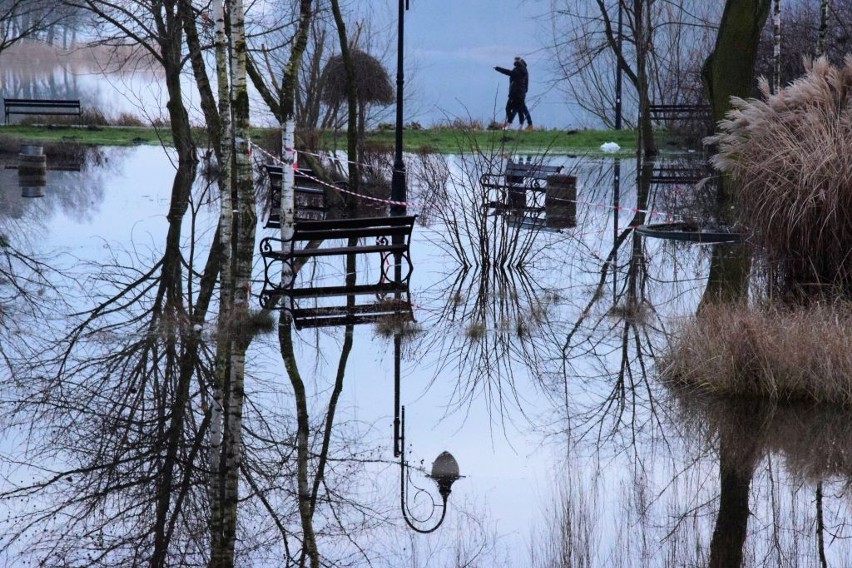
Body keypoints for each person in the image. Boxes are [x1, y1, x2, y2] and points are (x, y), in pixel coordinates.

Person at [494, 57, 533, 130]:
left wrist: (498, 68)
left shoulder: (517, 70)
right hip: (520, 94)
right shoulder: (524, 71)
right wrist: (524, 91)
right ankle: (525, 125)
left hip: (515, 94)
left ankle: (509, 124)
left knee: (512, 108)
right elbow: (526, 83)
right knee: (521, 109)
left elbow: (509, 73)